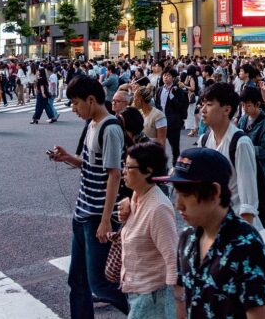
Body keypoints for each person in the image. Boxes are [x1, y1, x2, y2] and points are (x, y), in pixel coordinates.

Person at [156, 148, 265, 319]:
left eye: (186, 194)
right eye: (176, 193)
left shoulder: (247, 246)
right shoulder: (186, 237)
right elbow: (181, 295)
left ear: (214, 192)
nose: (178, 204)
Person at [47, 76, 129, 318]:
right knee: (78, 280)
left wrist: (106, 221)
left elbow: (114, 175)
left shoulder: (110, 128)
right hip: (82, 213)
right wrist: (67, 158)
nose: (73, 109)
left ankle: (142, 313)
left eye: (75, 103)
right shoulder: (92, 124)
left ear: (91, 100)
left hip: (96, 217)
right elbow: (92, 165)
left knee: (100, 283)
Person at [198, 83, 265, 249]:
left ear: (226, 109)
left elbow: (248, 200)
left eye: (209, 105)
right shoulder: (205, 139)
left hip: (234, 222)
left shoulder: (240, 143)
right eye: (202, 104)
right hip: (214, 221)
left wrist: (243, 244)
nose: (203, 109)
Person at [119, 142, 177, 319]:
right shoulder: (137, 197)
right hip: (137, 291)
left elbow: (172, 258)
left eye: (129, 167)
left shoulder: (158, 208)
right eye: (124, 165)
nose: (124, 171)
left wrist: (172, 305)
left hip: (153, 296)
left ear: (148, 171)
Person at [237, 87, 265, 176]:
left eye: (248, 105)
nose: (245, 108)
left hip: (260, 168)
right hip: (244, 165)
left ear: (257, 104)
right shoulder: (242, 120)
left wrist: (244, 148)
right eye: (243, 105)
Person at [155, 69, 188, 162]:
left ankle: (175, 165)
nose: (165, 77)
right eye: (164, 75)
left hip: (173, 122)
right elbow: (157, 103)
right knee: (159, 146)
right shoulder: (159, 89)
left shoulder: (178, 90)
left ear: (173, 78)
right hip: (160, 122)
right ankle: (161, 166)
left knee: (175, 147)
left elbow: (181, 106)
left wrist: (172, 96)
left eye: (168, 75)